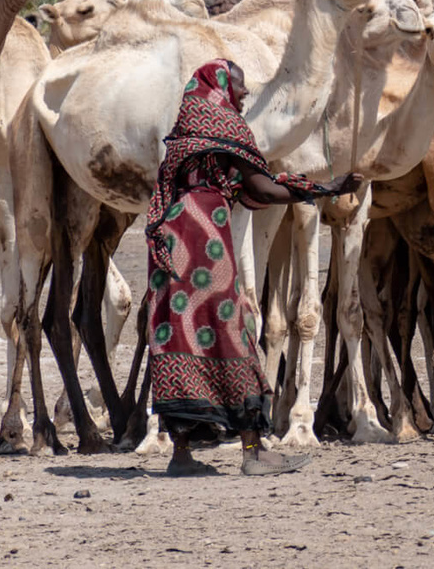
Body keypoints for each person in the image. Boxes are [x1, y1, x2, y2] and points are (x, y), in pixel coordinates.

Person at [144, 59, 362, 476]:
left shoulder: (184, 134)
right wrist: (325, 188)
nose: (244, 93)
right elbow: (261, 187)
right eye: (239, 85)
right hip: (206, 239)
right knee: (231, 331)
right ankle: (253, 450)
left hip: (172, 243)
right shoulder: (227, 127)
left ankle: (182, 453)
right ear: (221, 87)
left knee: (181, 333)